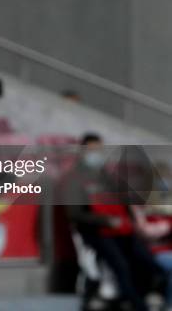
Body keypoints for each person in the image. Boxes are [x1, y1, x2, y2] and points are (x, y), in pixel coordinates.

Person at [65, 133, 165, 311]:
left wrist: (134, 217)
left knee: (149, 264)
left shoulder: (106, 176)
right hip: (96, 232)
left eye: (99, 150)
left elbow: (124, 201)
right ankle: (138, 306)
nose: (96, 154)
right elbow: (75, 214)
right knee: (122, 268)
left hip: (122, 230)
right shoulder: (74, 179)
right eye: (92, 150)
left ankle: (140, 299)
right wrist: (105, 220)